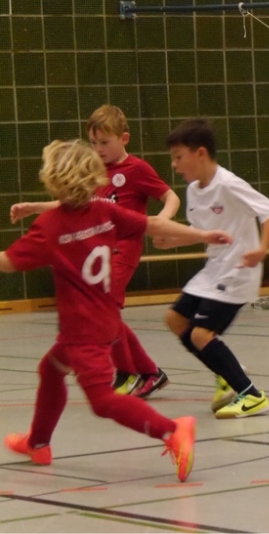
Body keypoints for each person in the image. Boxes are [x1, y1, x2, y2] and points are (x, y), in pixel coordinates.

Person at [2, 140, 230, 481]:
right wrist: (203, 235)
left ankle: (172, 429)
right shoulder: (103, 211)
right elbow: (153, 224)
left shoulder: (50, 225)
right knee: (50, 369)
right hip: (104, 320)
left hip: (83, 331)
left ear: (53, 179)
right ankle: (38, 443)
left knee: (102, 401)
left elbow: (8, 262)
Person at [10, 105, 180, 399]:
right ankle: (147, 372)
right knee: (105, 312)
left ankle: (134, 372)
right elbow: (75, 204)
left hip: (123, 250)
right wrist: (35, 207)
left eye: (104, 142)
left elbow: (171, 197)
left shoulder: (136, 169)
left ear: (124, 138)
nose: (98, 149)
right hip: (100, 252)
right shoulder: (94, 170)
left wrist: (161, 222)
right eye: (93, 142)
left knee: (104, 312)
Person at [158, 118, 269, 418]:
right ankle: (225, 374)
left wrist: (262, 249)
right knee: (175, 319)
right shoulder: (193, 191)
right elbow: (201, 232)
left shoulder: (228, 184)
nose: (174, 165)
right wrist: (171, 241)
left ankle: (251, 395)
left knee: (201, 334)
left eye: (179, 157)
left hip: (238, 271)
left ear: (200, 153)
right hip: (213, 270)